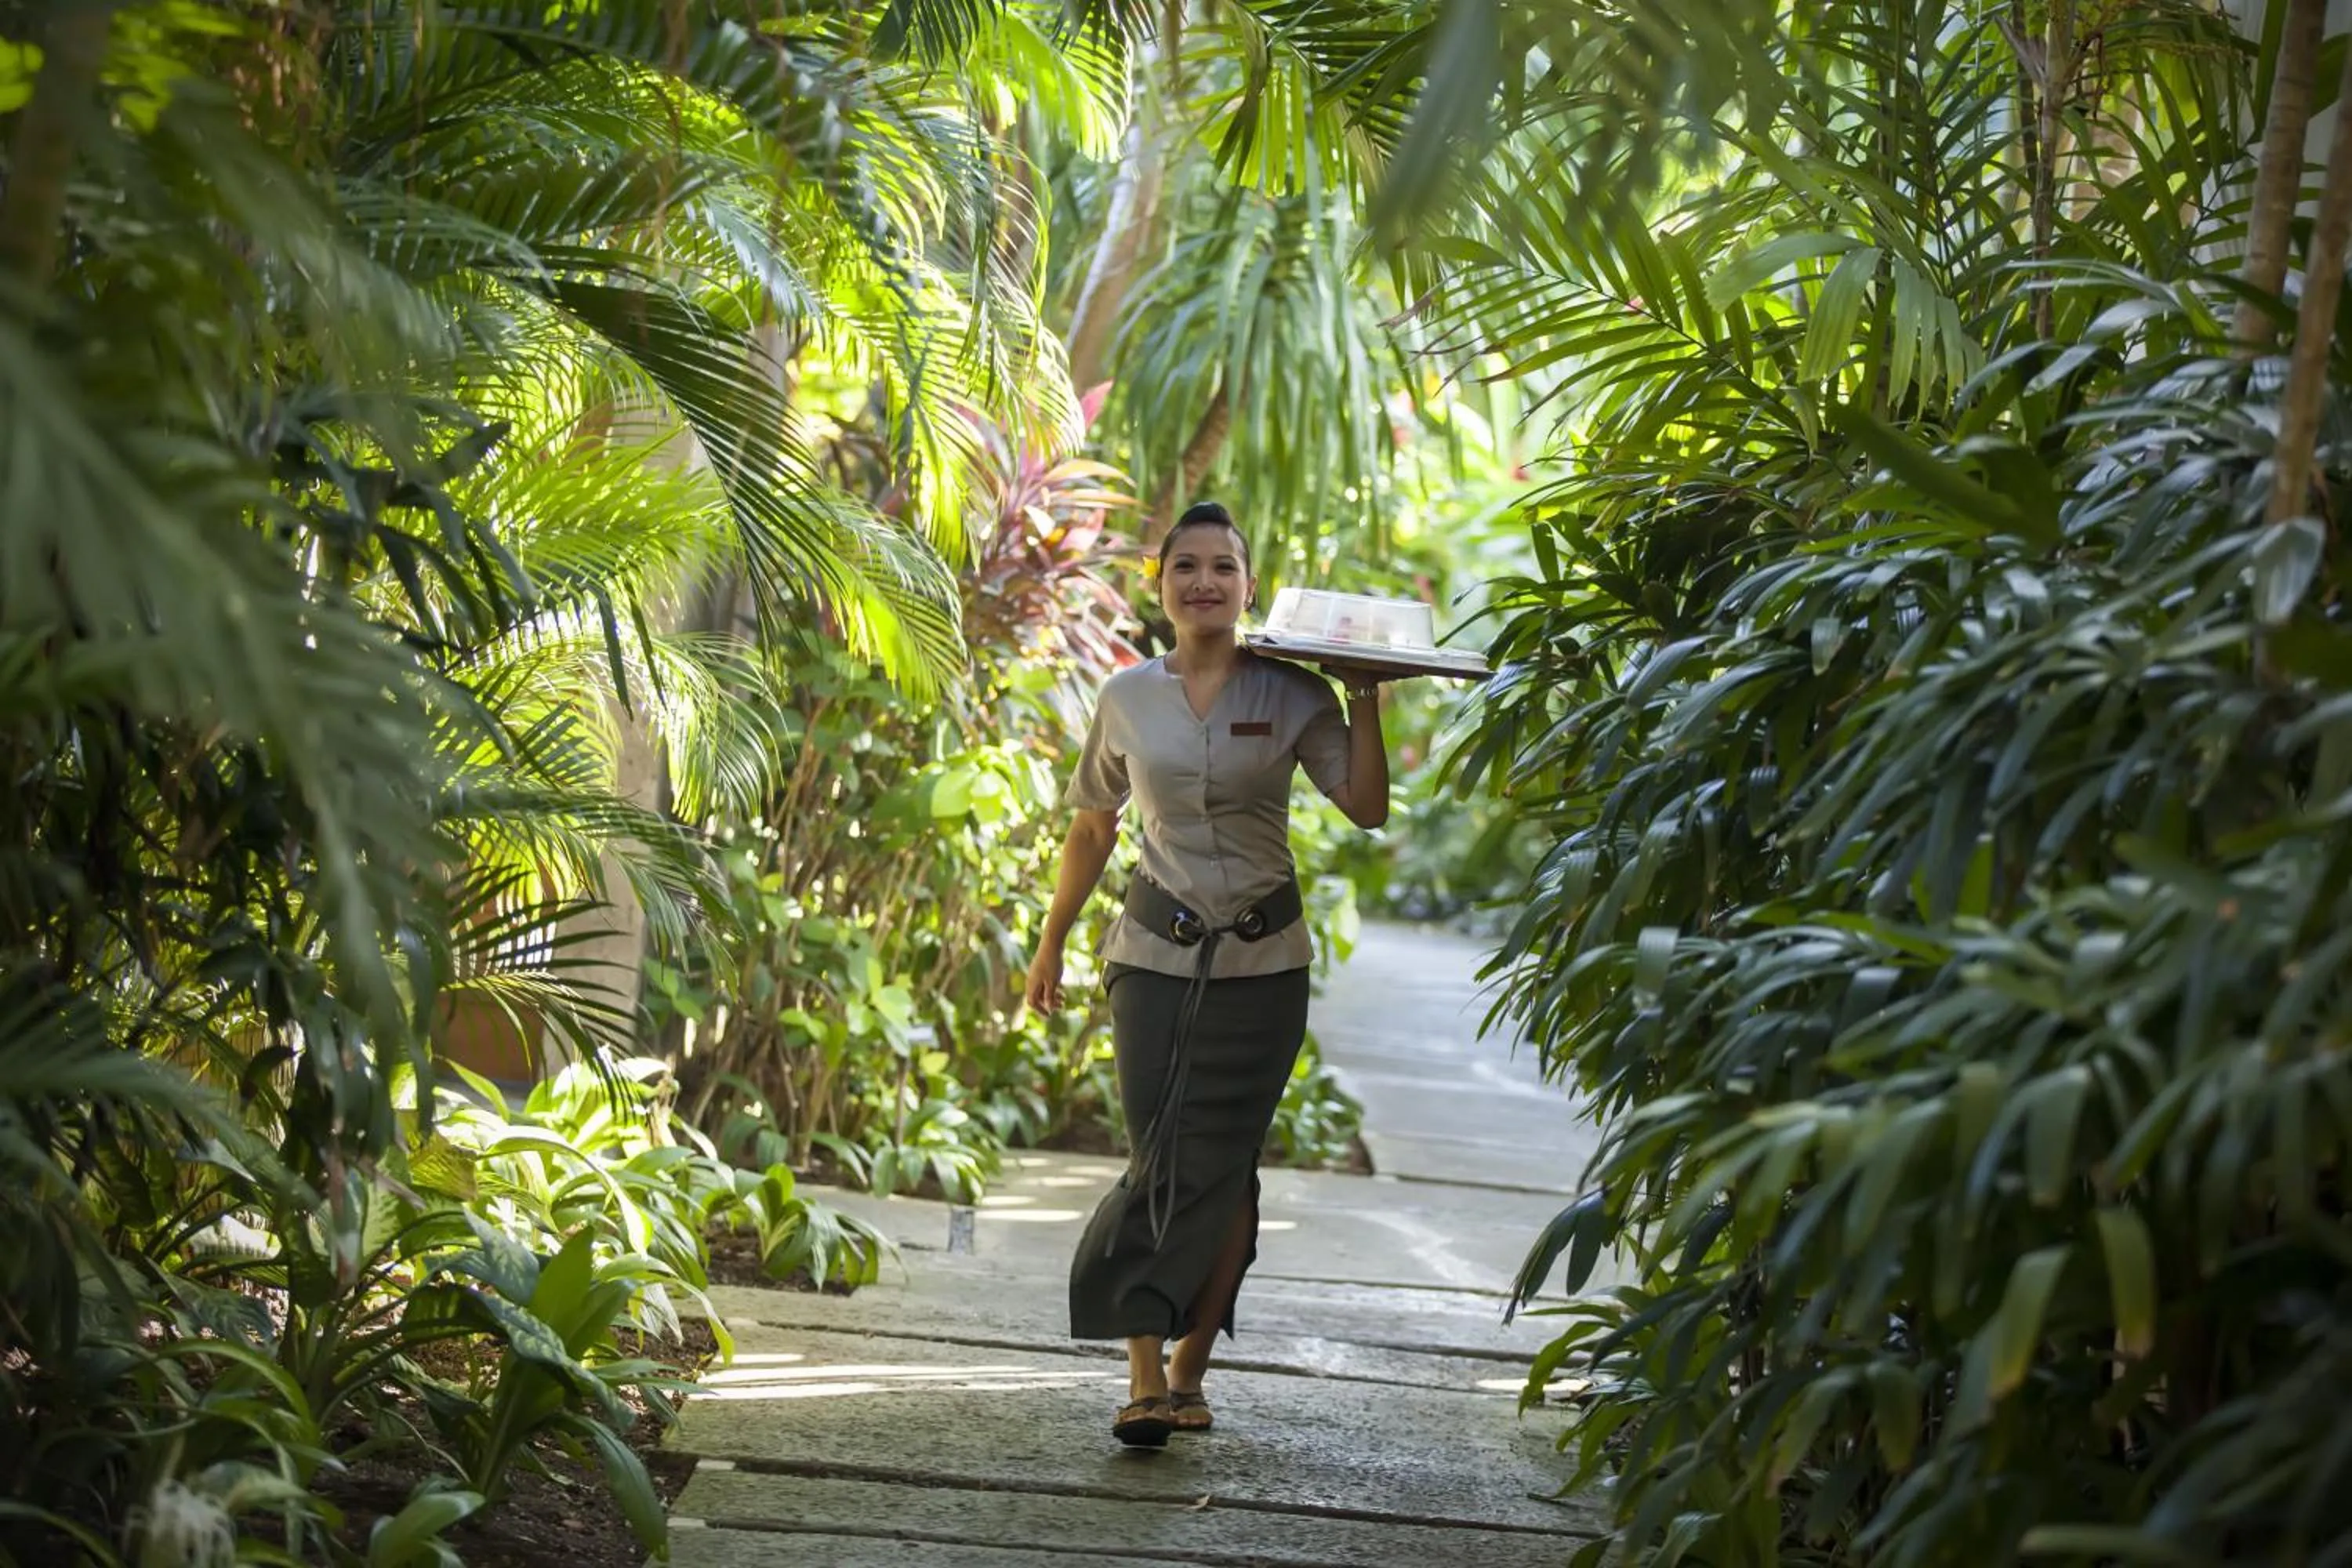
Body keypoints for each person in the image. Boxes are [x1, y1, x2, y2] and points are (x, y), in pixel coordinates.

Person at [1024, 499, 1393, 1448]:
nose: (1203, 582)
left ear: (1249, 585)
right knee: (1159, 1161)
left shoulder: (1293, 693)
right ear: (1162, 585)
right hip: (1152, 957)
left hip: (1265, 968)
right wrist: (1053, 938)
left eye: (1222, 567)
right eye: (1185, 566)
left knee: (1226, 1172)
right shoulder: (1126, 697)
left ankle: (1189, 1372)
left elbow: (1364, 806)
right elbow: (1093, 827)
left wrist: (1365, 695)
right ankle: (1142, 1371)